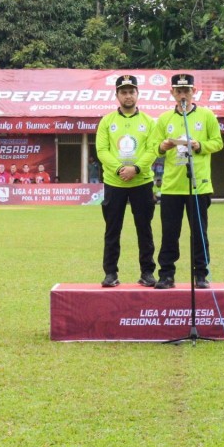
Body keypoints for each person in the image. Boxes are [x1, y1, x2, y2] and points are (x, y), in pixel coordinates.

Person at [152, 73, 224, 289]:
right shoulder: (165, 119)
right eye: (179, 91)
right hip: (173, 186)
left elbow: (218, 142)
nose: (183, 95)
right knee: (169, 233)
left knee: (199, 233)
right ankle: (166, 275)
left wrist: (199, 146)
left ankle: (201, 274)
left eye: (187, 90)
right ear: (172, 93)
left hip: (198, 185)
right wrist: (162, 147)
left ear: (194, 92)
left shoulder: (207, 115)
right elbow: (154, 147)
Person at [95, 74, 159, 288]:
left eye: (132, 91)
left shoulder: (149, 122)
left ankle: (147, 272)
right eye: (124, 92)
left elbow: (153, 149)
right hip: (114, 183)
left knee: (145, 229)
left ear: (137, 94)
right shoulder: (107, 121)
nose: (128, 95)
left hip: (142, 183)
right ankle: (110, 273)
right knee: (112, 230)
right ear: (117, 95)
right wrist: (120, 169)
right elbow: (102, 150)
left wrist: (137, 168)